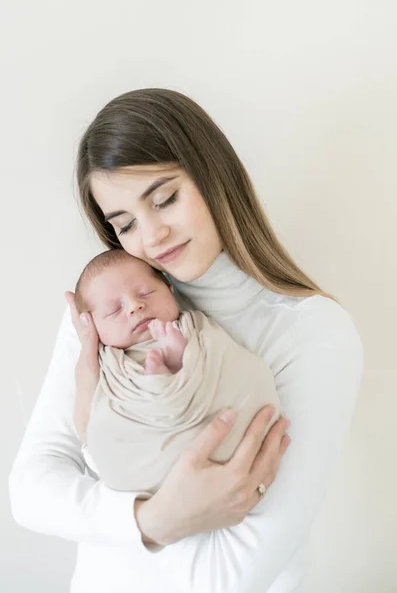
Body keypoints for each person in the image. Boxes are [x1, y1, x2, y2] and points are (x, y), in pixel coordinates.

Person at [9, 88, 363, 593]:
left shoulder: (313, 334)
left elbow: (230, 575)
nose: (151, 236)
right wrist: (154, 520)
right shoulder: (109, 314)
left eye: (165, 199)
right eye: (125, 224)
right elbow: (30, 491)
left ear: (213, 174)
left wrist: (111, 514)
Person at [73, 248, 282, 493]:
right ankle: (163, 377)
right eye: (114, 310)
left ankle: (176, 365)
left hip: (236, 434)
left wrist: (192, 359)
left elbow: (231, 364)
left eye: (146, 293)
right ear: (93, 326)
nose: (134, 306)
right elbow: (101, 431)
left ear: (171, 292)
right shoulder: (107, 365)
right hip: (156, 466)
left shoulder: (195, 327)